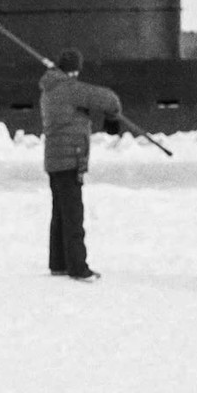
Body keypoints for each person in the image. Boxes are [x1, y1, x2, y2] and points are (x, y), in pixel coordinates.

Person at [39, 48, 122, 282]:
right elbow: (108, 99)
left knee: (60, 214)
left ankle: (58, 263)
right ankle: (78, 267)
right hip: (69, 160)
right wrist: (113, 117)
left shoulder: (49, 89)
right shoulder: (70, 89)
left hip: (54, 160)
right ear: (73, 70)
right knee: (73, 216)